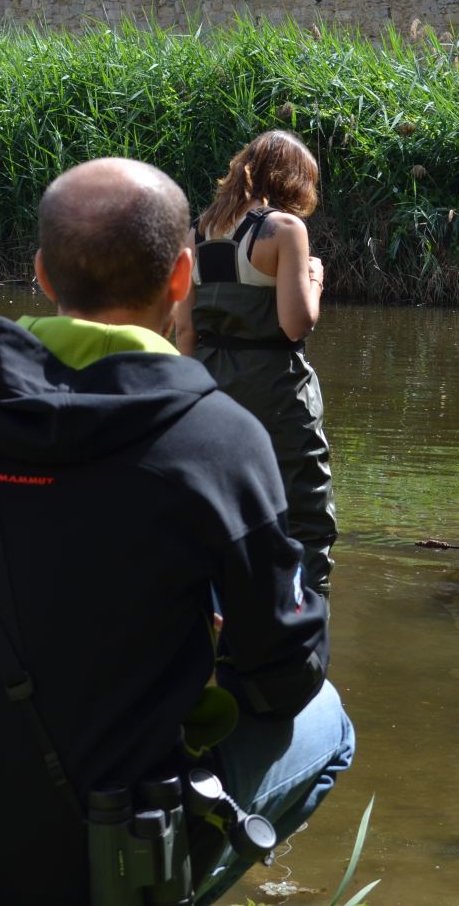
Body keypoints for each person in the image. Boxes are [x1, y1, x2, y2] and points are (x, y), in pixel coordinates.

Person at [0, 157, 353, 906]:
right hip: (81, 854)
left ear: (43, 275)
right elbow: (287, 672)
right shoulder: (219, 438)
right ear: (182, 277)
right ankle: (162, 886)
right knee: (328, 721)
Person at [176, 131, 337, 597]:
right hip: (277, 394)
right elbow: (295, 323)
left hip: (210, 389)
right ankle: (304, 619)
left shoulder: (196, 233)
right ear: (292, 182)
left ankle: (217, 620)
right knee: (304, 513)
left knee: (218, 504)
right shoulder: (285, 230)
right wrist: (315, 280)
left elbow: (184, 332)